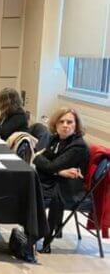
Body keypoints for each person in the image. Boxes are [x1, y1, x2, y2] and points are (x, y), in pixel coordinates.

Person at [33, 107, 90, 253]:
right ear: (55, 124)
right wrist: (59, 171)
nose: (65, 125)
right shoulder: (56, 139)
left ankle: (38, 233)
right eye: (61, 121)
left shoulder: (78, 146)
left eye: (69, 122)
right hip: (56, 179)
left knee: (33, 192)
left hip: (70, 188)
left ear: (76, 125)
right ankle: (32, 231)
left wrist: (46, 163)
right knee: (30, 185)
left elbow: (46, 163)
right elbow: (41, 162)